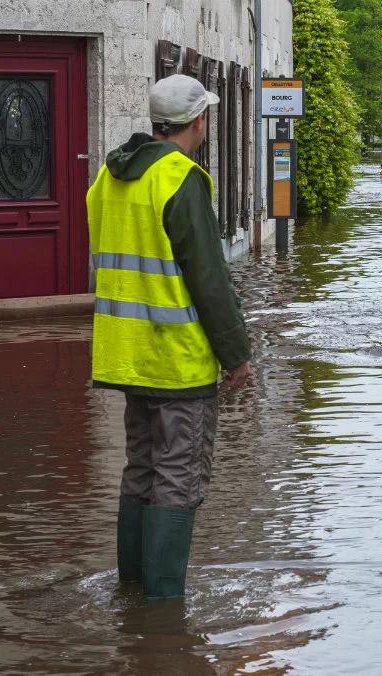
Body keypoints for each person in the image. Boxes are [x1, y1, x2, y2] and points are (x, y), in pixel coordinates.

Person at [87, 74, 253, 600]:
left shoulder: (107, 178)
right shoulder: (182, 178)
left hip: (126, 354)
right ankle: (163, 610)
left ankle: (131, 590)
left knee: (140, 468)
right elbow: (209, 278)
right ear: (198, 121)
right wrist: (237, 355)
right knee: (179, 476)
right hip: (178, 359)